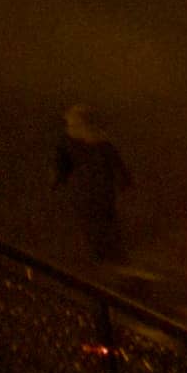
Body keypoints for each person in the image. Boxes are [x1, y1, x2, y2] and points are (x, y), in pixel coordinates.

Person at [53, 107, 132, 265]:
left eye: (74, 124)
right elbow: (63, 165)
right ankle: (102, 253)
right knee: (92, 223)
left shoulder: (99, 143)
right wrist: (59, 179)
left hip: (97, 190)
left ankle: (110, 252)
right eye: (69, 125)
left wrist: (124, 180)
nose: (70, 128)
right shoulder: (72, 142)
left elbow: (115, 163)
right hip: (86, 191)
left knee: (103, 221)